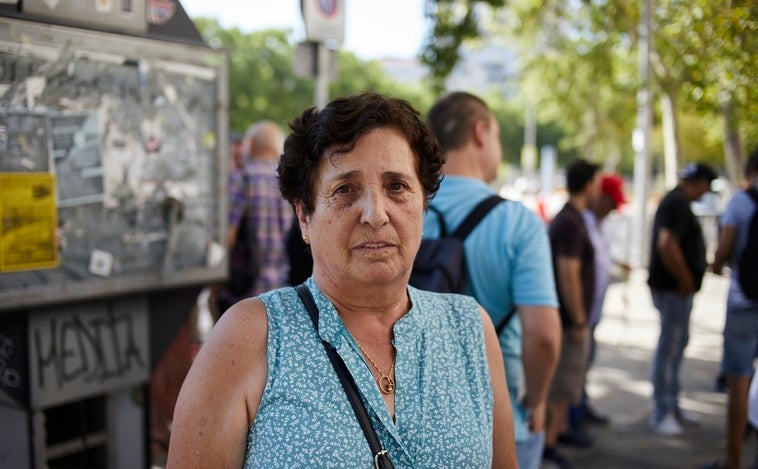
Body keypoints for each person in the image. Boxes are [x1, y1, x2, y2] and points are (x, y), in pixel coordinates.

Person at [167, 93, 517, 468]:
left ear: (423, 206)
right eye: (345, 189)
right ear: (304, 216)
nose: (375, 214)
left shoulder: (469, 330)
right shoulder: (250, 337)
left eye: (396, 186)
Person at [426, 91, 561, 469]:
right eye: (498, 136)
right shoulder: (518, 223)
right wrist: (536, 402)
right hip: (501, 417)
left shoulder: (405, 209)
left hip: (411, 411)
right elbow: (544, 337)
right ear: (480, 132)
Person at [647, 161, 717, 436]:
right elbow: (667, 243)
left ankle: (671, 405)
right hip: (673, 289)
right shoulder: (677, 202)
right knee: (670, 348)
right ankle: (662, 409)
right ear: (698, 182)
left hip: (676, 289)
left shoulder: (677, 201)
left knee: (675, 346)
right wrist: (685, 277)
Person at [544, 159, 602, 469]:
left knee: (566, 388)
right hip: (569, 323)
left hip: (571, 322)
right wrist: (579, 319)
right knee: (560, 388)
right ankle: (549, 447)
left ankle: (558, 437)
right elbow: (568, 273)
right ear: (589, 184)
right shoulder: (569, 221)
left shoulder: (573, 218)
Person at [704, 152, 758, 469]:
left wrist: (715, 264)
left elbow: (723, 249)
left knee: (738, 381)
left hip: (743, 304)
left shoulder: (741, 203)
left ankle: (733, 461)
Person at [568, 174, 630, 430]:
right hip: (582, 311)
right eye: (611, 201)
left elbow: (601, 257)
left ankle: (580, 408)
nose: (614, 207)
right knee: (575, 367)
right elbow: (570, 271)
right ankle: (573, 418)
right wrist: (578, 317)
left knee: (585, 363)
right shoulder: (582, 221)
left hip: (593, 309)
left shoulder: (600, 223)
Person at [215, 121, 295, 315]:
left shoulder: (242, 177)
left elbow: (227, 238)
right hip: (285, 292)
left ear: (250, 143)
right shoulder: (291, 182)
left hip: (245, 297)